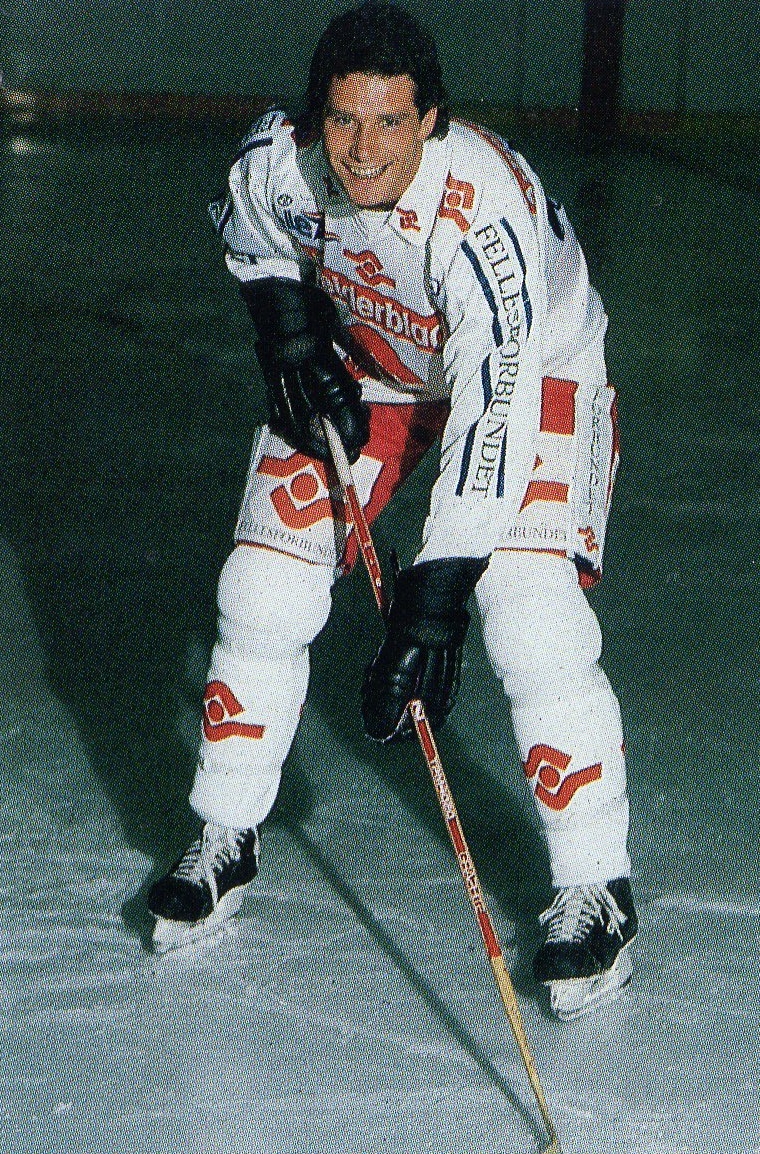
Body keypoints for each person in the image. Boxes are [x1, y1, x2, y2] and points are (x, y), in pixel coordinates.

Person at [148, 0, 637, 1020]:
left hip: (533, 374)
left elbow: (493, 413)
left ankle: (597, 886)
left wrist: (436, 589)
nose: (363, 150)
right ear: (314, 116)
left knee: (531, 616)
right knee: (263, 586)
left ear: (433, 122)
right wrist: (284, 321)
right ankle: (223, 830)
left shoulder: (481, 218)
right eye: (342, 119)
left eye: (390, 122)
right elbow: (249, 222)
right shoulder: (281, 161)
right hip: (376, 369)